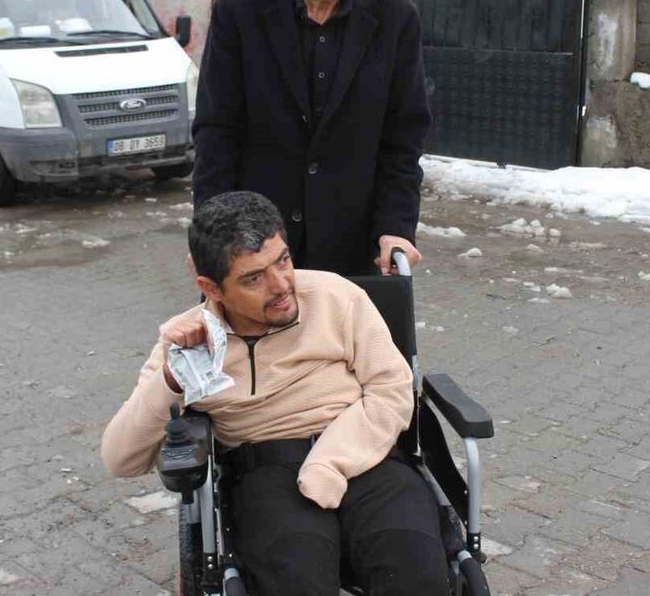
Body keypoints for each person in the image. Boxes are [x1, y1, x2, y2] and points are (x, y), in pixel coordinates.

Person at [101, 191, 446, 595]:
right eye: (253, 278)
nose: (282, 285)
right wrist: (172, 380)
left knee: (414, 571)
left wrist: (329, 463)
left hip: (368, 454)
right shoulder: (185, 341)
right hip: (266, 474)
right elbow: (120, 459)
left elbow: (391, 388)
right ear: (212, 288)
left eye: (283, 260)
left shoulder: (336, 297)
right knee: (297, 579)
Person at [191, 0, 431, 277]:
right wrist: (213, 236)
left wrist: (396, 227)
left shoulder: (395, 18)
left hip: (354, 254)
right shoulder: (240, 12)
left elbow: (402, 140)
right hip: (253, 251)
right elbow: (217, 133)